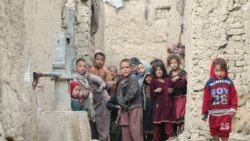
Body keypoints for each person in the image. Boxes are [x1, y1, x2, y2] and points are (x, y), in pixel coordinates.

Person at [72, 57, 110, 141]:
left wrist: (101, 88)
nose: (82, 68)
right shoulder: (73, 78)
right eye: (80, 66)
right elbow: (73, 92)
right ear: (75, 67)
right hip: (84, 107)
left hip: (99, 105)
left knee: (101, 128)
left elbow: (102, 82)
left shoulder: (88, 76)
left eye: (84, 66)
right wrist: (82, 94)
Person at [202, 58, 238, 141]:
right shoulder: (209, 83)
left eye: (222, 70)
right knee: (214, 134)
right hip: (213, 115)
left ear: (225, 70)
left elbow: (234, 95)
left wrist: (233, 108)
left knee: (225, 135)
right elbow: (206, 98)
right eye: (217, 70)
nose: (219, 73)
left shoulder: (229, 82)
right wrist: (204, 112)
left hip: (226, 115)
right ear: (213, 70)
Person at [116, 58, 143, 141]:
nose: (125, 69)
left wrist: (123, 102)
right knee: (126, 134)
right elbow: (119, 95)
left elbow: (132, 93)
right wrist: (122, 104)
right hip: (125, 109)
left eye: (127, 67)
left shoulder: (133, 78)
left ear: (131, 68)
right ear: (120, 69)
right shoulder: (121, 81)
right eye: (123, 68)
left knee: (135, 133)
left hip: (134, 108)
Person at [150, 61, 176, 141]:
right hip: (159, 106)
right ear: (154, 71)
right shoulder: (153, 81)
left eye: (160, 69)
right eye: (156, 70)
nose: (158, 71)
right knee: (157, 125)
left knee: (168, 122)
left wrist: (172, 90)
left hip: (168, 105)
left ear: (163, 70)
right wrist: (155, 91)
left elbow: (173, 89)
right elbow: (151, 92)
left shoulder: (168, 80)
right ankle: (156, 139)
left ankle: (170, 137)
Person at [167, 54, 187, 135]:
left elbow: (185, 82)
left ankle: (181, 130)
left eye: (175, 62)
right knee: (174, 114)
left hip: (181, 96)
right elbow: (168, 84)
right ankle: (176, 132)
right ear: (169, 64)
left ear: (178, 63)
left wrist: (178, 79)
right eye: (171, 63)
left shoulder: (182, 72)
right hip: (173, 97)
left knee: (180, 112)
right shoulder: (169, 74)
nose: (174, 64)